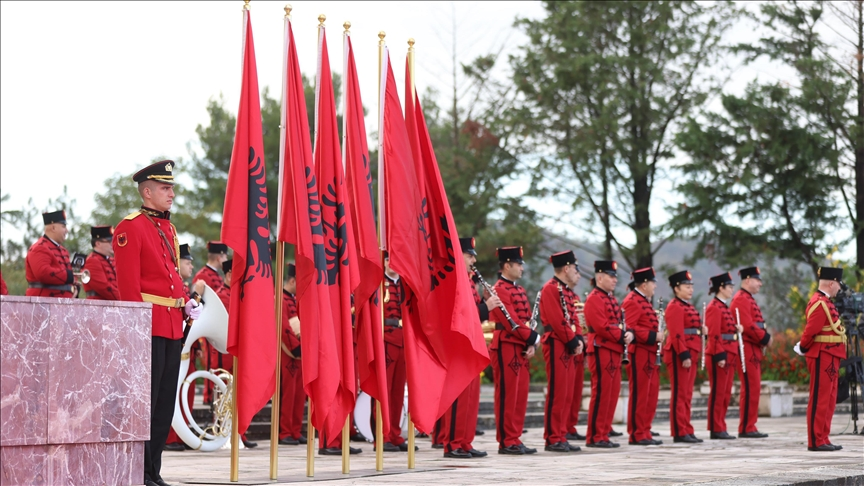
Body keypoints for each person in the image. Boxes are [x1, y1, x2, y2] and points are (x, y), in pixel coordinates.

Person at [113, 160, 201, 486]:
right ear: (147, 192)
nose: (172, 194)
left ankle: (153, 471)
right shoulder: (130, 227)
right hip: (147, 327)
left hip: (171, 325)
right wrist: (134, 332)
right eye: (165, 188)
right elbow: (128, 288)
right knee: (145, 407)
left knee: (164, 406)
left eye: (172, 187)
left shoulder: (169, 229)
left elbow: (171, 275)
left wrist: (185, 302)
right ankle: (139, 473)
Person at [439, 237, 493, 459]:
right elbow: (461, 314)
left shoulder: (469, 281)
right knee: (458, 395)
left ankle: (464, 441)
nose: (473, 259)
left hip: (471, 342)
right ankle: (452, 444)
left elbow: (474, 313)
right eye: (469, 255)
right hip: (458, 343)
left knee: (470, 396)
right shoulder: (453, 279)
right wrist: (485, 307)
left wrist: (485, 303)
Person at [490, 246, 540, 455]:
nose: (521, 268)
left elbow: (526, 320)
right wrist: (533, 338)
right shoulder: (499, 289)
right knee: (508, 394)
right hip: (505, 345)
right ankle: (506, 441)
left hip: (520, 345)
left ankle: (515, 438)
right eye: (518, 264)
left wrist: (530, 343)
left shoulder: (519, 289)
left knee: (520, 394)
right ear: (507, 265)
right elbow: (510, 321)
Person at [539, 250, 585, 453]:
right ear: (566, 268)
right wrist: (573, 340)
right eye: (575, 268)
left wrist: (579, 338)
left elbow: (574, 319)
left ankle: (561, 434)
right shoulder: (551, 289)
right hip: (558, 342)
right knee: (558, 392)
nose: (578, 273)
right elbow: (557, 321)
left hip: (568, 343)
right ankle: (552, 438)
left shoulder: (566, 291)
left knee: (567, 393)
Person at [584, 260, 632, 448]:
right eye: (611, 277)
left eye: (615, 277)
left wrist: (626, 333)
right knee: (602, 393)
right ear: (600, 277)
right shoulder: (595, 298)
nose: (614, 280)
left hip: (613, 350)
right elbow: (601, 327)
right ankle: (595, 436)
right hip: (601, 349)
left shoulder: (610, 298)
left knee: (612, 394)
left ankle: (603, 433)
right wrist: (622, 335)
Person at [212, 259, 258, 450]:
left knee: (239, 394)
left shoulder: (237, 295)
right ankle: (225, 433)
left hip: (239, 351)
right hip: (226, 352)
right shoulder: (222, 297)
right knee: (225, 394)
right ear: (229, 275)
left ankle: (238, 432)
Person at [164, 243, 206, 452]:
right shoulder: (177, 287)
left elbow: (192, 323)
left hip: (186, 348)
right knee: (173, 393)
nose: (191, 266)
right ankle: (171, 437)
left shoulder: (184, 286)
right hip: (175, 345)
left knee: (185, 396)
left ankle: (181, 435)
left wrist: (197, 345)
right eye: (187, 262)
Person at [800, 266, 846, 452]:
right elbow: (811, 331)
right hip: (821, 355)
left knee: (829, 398)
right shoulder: (819, 303)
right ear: (831, 283)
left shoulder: (826, 302)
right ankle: (815, 440)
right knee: (820, 397)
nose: (839, 289)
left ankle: (823, 437)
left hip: (831, 355)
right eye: (838, 285)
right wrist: (803, 347)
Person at [622, 267, 663, 446]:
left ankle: (645, 430)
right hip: (639, 353)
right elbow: (628, 327)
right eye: (653, 283)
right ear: (645, 284)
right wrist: (654, 336)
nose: (655, 286)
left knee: (650, 393)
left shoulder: (644, 300)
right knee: (640, 393)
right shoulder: (632, 300)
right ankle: (637, 433)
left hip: (650, 353)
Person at [372, 251, 407, 453]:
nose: (391, 262)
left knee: (397, 393)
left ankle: (394, 434)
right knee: (382, 392)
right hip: (384, 340)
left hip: (401, 341)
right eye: (387, 259)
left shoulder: (404, 284)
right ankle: (382, 436)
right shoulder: (377, 283)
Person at [663, 270, 704, 443]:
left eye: (691, 286)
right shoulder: (675, 306)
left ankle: (687, 428)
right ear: (676, 288)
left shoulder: (687, 306)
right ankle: (679, 431)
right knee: (680, 393)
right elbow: (677, 334)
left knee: (687, 393)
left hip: (691, 352)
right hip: (679, 353)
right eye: (687, 286)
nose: (690, 289)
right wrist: (684, 354)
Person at [729, 266, 771, 438]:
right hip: (746, 347)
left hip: (753, 347)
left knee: (754, 387)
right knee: (750, 387)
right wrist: (765, 338)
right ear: (747, 280)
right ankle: (746, 427)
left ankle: (750, 425)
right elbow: (747, 325)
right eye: (757, 280)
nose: (760, 284)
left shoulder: (748, 298)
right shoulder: (740, 299)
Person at [704, 272, 742, 440]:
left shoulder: (723, 307)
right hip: (719, 354)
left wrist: (736, 329)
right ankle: (715, 427)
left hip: (729, 352)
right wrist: (719, 355)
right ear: (721, 288)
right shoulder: (714, 307)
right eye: (730, 287)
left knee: (726, 392)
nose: (732, 290)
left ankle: (721, 426)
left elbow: (725, 330)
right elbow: (714, 334)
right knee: (719, 392)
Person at [279, 263, 307, 446]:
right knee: (288, 394)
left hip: (300, 352)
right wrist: (296, 347)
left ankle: (295, 430)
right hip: (287, 353)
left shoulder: (297, 299)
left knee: (299, 395)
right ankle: (284, 432)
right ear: (292, 280)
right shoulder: (280, 299)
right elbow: (283, 327)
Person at [25, 210, 77, 298]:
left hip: (62, 304)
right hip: (43, 304)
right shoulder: (39, 247)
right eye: (63, 226)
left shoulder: (63, 251)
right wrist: (69, 276)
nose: (67, 230)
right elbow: (43, 273)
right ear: (53, 228)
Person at [82, 225, 119, 300]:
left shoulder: (112, 260)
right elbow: (104, 288)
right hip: (98, 306)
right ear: (98, 243)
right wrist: (125, 298)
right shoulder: (92, 261)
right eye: (109, 241)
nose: (113, 244)